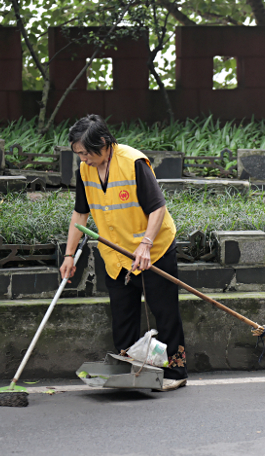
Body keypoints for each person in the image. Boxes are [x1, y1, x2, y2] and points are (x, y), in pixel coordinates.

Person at [59, 114, 187, 391]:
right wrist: (69, 256)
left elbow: (157, 207)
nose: (82, 159)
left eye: (85, 153)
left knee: (164, 312)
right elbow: (80, 214)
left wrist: (146, 244)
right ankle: (129, 370)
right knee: (122, 314)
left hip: (153, 250)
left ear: (103, 143)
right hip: (115, 253)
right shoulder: (86, 171)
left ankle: (176, 372)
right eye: (78, 154)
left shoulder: (133, 162)